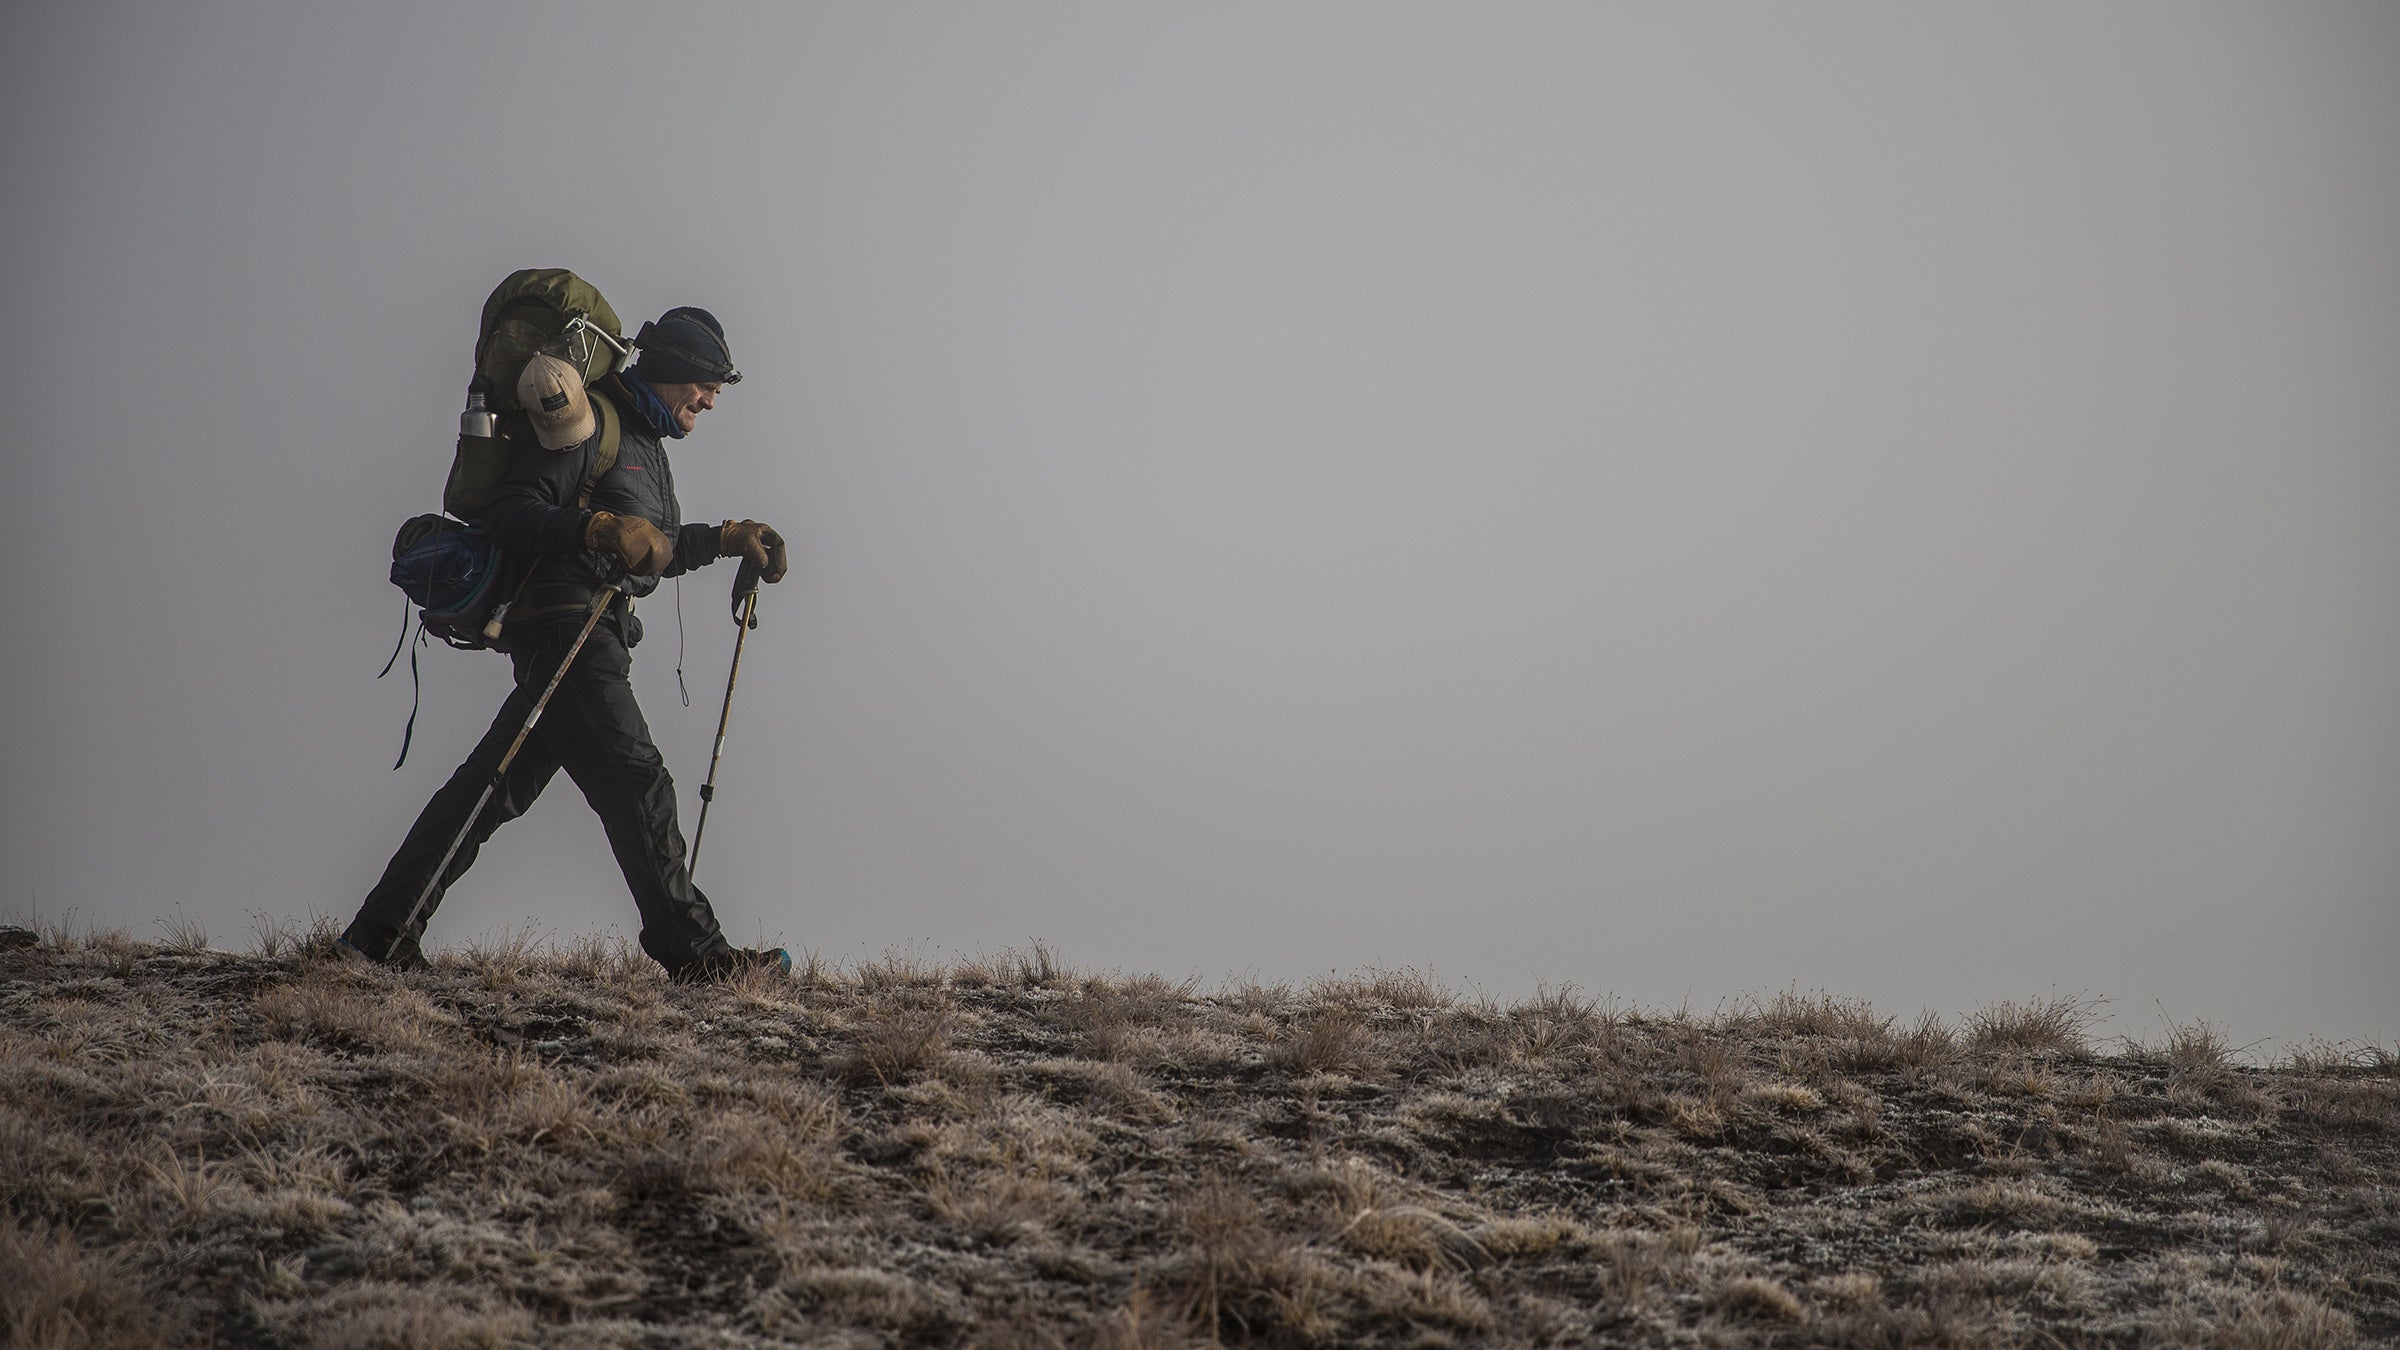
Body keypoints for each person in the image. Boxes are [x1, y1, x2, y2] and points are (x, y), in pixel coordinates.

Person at [341, 307, 791, 981]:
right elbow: (511, 512)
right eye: (706, 383)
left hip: (588, 632)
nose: (712, 398)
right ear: (671, 373)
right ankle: (699, 957)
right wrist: (600, 530)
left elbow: (653, 552)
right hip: (566, 631)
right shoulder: (593, 425)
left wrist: (728, 540)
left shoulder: (645, 443)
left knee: (488, 791)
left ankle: (378, 935)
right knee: (640, 784)